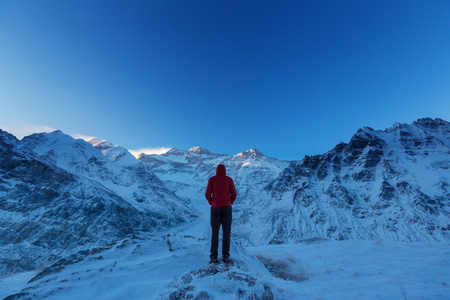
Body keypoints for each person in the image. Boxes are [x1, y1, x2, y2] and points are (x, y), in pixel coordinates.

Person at [205, 164, 237, 263]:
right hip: (227, 208)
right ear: (225, 171)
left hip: (215, 208)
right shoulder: (229, 180)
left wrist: (211, 202)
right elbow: (234, 194)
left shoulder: (212, 179)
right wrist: (230, 202)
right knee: (226, 232)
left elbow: (207, 193)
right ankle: (225, 255)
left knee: (215, 232)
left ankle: (214, 256)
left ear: (216, 171)